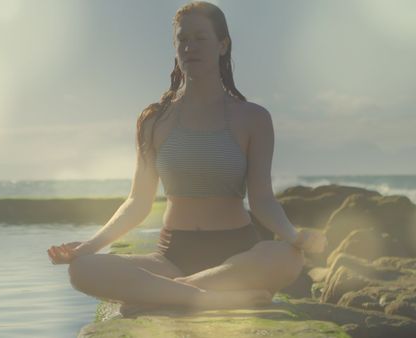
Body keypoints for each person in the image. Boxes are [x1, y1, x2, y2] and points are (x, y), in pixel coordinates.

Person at [47, 1, 327, 316]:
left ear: (222, 45)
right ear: (175, 47)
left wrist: (295, 236)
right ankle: (211, 297)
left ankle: (168, 294)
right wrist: (87, 247)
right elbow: (138, 202)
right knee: (82, 270)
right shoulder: (155, 120)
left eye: (200, 38)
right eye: (182, 39)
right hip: (171, 257)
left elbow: (262, 200)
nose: (190, 46)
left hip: (238, 254)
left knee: (287, 257)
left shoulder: (254, 119)